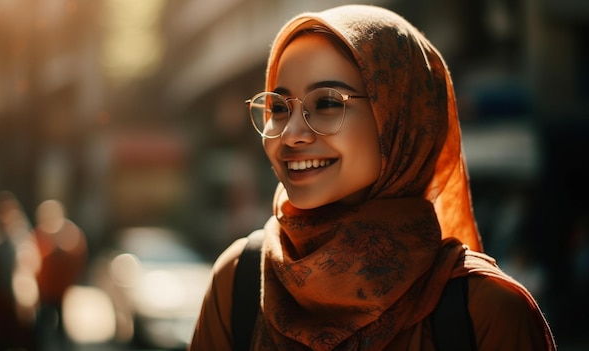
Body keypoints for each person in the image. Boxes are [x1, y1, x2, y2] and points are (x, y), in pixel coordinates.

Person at [189, 4, 556, 350]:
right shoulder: (239, 282)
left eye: (328, 103)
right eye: (279, 108)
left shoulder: (488, 311)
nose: (291, 134)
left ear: (400, 120)